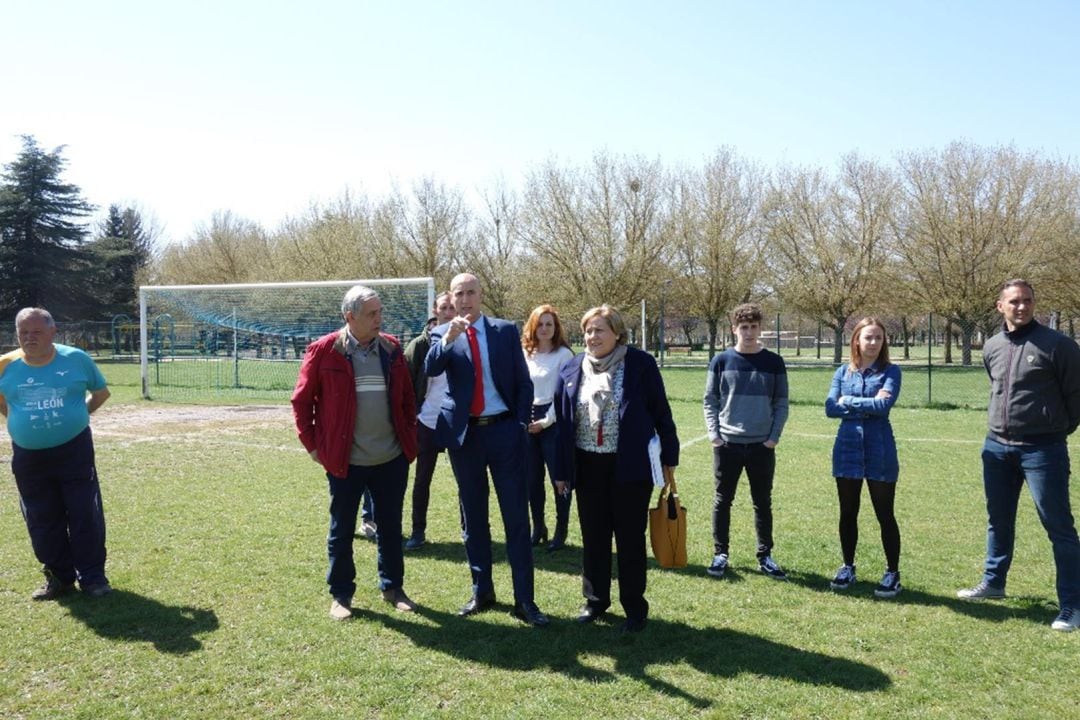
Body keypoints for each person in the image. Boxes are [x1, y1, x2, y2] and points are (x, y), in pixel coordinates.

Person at [424, 273, 549, 627]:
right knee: (473, 518)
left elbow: (523, 383)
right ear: (452, 297)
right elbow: (431, 367)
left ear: (481, 295)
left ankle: (525, 600)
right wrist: (448, 338)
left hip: (505, 433)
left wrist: (520, 425)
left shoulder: (504, 330)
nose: (465, 300)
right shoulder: (441, 333)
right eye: (459, 293)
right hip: (466, 438)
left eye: (471, 293)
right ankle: (482, 591)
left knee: (516, 520)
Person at [957, 279, 1080, 632]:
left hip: (1043, 449)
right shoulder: (992, 346)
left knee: (1058, 527)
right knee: (998, 519)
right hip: (996, 447)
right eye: (1014, 301)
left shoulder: (1059, 346)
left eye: (1027, 301)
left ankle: (1072, 604)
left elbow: (1076, 397)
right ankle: (993, 583)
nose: (1021, 307)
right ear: (1000, 306)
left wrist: (1056, 430)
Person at [291, 285, 419, 620]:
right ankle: (341, 595)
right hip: (345, 460)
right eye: (372, 314)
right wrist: (315, 447)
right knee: (342, 528)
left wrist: (409, 438)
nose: (380, 319)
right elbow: (301, 403)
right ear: (350, 317)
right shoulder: (324, 351)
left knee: (390, 526)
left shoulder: (391, 349)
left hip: (391, 458)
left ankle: (393, 587)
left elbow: (407, 399)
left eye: (380, 312)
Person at [553, 305, 679, 633]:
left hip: (629, 467)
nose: (592, 337)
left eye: (600, 330)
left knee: (629, 538)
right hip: (587, 465)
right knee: (594, 537)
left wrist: (670, 456)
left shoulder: (640, 365)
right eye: (588, 330)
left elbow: (661, 412)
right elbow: (563, 424)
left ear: (617, 333)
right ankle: (596, 601)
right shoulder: (571, 368)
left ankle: (634, 607)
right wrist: (561, 470)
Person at [0, 307, 112, 599]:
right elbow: (2, 401)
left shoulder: (75, 359)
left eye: (36, 331)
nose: (29, 337)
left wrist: (79, 414)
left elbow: (101, 393)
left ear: (53, 331)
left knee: (83, 512)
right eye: (23, 332)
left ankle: (92, 576)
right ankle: (58, 578)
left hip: (74, 450)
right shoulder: (5, 365)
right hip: (28, 456)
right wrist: (19, 424)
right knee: (41, 516)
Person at [702, 303, 790, 581]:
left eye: (753, 327)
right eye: (744, 327)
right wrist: (714, 435)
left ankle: (765, 555)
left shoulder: (774, 362)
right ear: (734, 329)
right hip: (727, 444)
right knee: (722, 501)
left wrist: (773, 438)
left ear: (760, 328)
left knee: (762, 502)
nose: (749, 332)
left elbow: (781, 403)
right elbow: (710, 400)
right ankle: (720, 554)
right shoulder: (721, 361)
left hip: (761, 446)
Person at [825, 317, 903, 598]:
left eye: (878, 338)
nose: (873, 343)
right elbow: (830, 408)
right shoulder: (842, 373)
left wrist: (850, 402)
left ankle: (892, 572)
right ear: (856, 340)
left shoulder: (891, 372)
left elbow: (883, 406)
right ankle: (848, 566)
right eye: (868, 337)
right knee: (848, 512)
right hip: (847, 449)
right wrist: (863, 405)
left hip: (879, 448)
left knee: (885, 514)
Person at [402, 291, 456, 550]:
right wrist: (414, 414)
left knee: (466, 480)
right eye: (444, 307)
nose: (449, 311)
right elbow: (407, 384)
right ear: (435, 310)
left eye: (453, 307)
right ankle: (417, 531)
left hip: (456, 423)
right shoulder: (420, 345)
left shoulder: (465, 339)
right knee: (422, 479)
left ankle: (471, 531)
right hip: (427, 422)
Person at [522, 304, 576, 552]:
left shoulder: (564, 355)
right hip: (528, 420)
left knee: (559, 479)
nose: (544, 329)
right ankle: (538, 527)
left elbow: (565, 395)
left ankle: (560, 530)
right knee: (532, 480)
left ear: (556, 328)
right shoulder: (525, 352)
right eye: (540, 324)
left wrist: (545, 422)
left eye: (549, 324)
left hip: (553, 422)